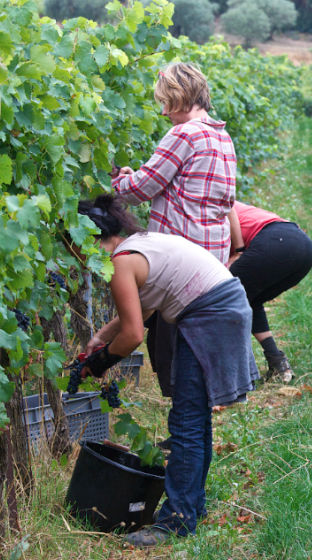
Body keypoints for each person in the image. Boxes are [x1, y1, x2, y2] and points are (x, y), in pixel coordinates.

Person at [74, 194, 258, 548]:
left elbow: (132, 335)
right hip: (223, 304)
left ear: (88, 238)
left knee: (186, 422)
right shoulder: (139, 245)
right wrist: (99, 337)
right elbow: (139, 310)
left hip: (210, 314)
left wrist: (97, 364)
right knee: (195, 418)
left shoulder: (121, 262)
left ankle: (176, 521)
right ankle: (191, 508)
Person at [110, 62, 237, 410]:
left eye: (166, 102)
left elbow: (141, 188)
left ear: (180, 96)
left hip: (180, 258)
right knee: (193, 349)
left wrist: (116, 182)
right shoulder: (221, 136)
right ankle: (195, 419)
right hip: (212, 258)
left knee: (173, 354)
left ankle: (186, 431)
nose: (164, 112)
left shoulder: (184, 134)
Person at [227, 201, 312, 382]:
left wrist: (240, 249)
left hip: (274, 241)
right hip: (303, 247)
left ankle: (237, 375)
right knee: (249, 299)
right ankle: (278, 363)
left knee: (223, 299)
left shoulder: (206, 203)